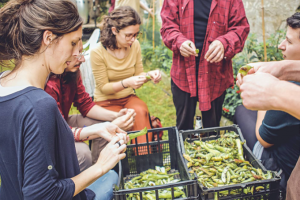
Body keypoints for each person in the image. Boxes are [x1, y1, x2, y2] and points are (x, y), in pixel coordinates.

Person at [0, 0, 129, 200]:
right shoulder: (39, 105)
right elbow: (42, 195)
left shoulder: (4, 84)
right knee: (111, 176)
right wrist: (101, 165)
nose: (76, 53)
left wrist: (98, 129)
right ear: (48, 38)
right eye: (72, 43)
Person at [236, 13, 300, 199]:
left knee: (241, 111)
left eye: (288, 41)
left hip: (281, 165)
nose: (280, 45)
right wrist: (283, 69)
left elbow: (264, 139)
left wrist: (271, 94)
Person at [160, 0, 250, 131]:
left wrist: (224, 43)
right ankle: (183, 148)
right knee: (183, 126)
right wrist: (179, 41)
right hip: (184, 72)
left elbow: (240, 28)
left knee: (212, 128)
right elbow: (168, 26)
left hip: (215, 74)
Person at [45, 43, 136, 170]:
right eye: (77, 55)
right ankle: (84, 181)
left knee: (105, 122)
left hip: (63, 123)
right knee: (82, 153)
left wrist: (115, 116)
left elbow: (85, 104)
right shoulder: (49, 85)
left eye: (82, 53)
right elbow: (59, 132)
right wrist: (101, 129)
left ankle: (98, 170)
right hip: (51, 134)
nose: (82, 59)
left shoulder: (72, 72)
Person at [90, 6, 161, 146]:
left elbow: (138, 74)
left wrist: (149, 75)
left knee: (140, 111)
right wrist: (127, 83)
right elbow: (103, 88)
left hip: (128, 97)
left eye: (136, 34)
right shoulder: (97, 52)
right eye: (129, 35)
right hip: (105, 101)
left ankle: (142, 157)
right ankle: (120, 160)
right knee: (128, 116)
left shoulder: (135, 45)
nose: (133, 39)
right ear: (114, 31)